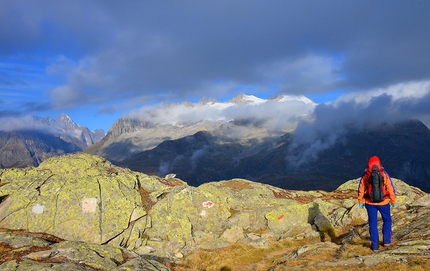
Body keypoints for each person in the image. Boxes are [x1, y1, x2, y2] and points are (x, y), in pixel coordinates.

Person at [357, 155, 397, 252]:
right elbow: (390, 188)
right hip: (384, 202)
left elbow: (361, 188)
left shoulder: (366, 175)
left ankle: (375, 246)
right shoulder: (384, 174)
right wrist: (393, 200)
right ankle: (387, 241)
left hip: (370, 203)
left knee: (373, 223)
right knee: (387, 220)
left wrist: (360, 201)